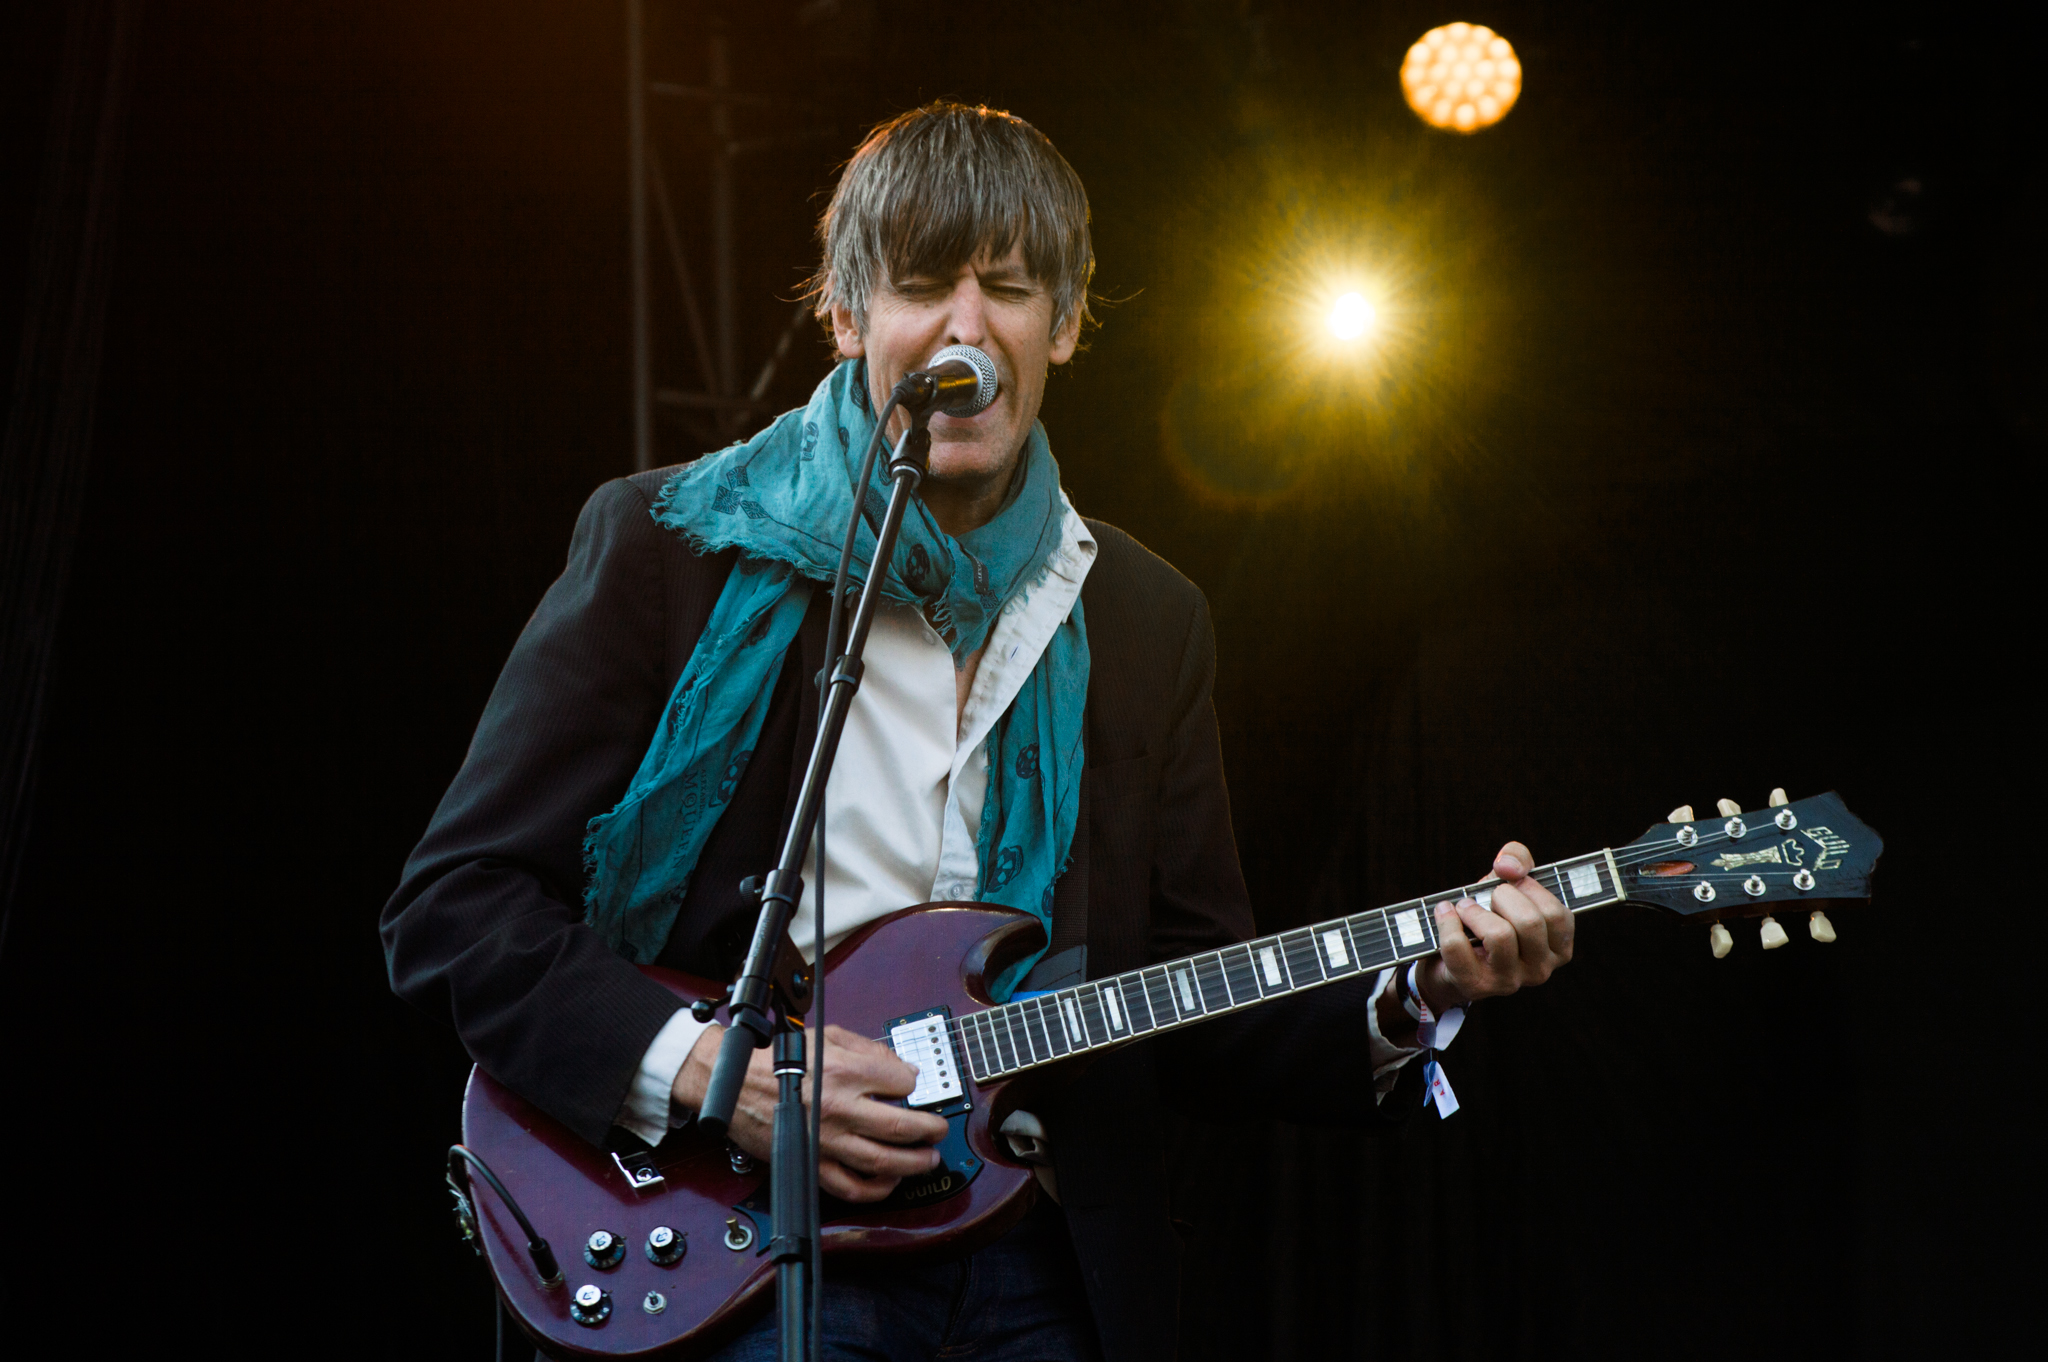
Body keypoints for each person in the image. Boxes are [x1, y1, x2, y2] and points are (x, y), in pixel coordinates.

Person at [381, 102, 1574, 1362]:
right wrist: (714, 1077)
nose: (966, 328)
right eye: (920, 286)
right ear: (847, 318)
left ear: (1062, 323)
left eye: (1007, 289)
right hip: (742, 1244)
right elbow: (456, 907)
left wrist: (1418, 984)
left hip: (1032, 1260)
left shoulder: (1141, 615)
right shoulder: (670, 547)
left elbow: (1191, 987)